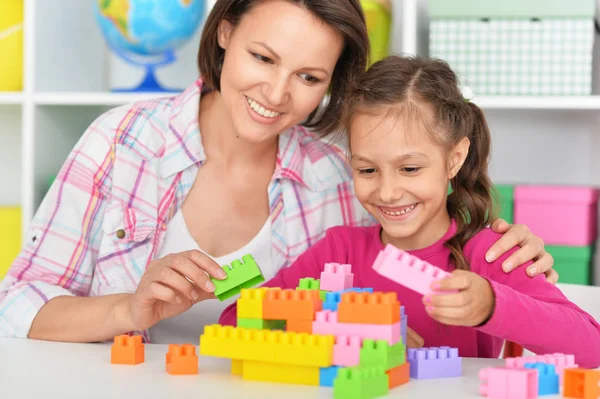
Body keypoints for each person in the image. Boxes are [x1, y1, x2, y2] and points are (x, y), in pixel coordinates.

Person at [0, 0, 555, 344]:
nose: (276, 94)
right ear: (225, 33)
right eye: (262, 58)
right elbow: (18, 302)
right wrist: (127, 308)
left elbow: (427, 254)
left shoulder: (341, 173)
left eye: (309, 77)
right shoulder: (121, 143)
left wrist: (509, 261)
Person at [219, 56, 600, 367]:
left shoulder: (489, 254)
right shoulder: (339, 250)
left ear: (454, 158)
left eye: (410, 168)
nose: (387, 191)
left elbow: (590, 347)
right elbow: (236, 321)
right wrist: (348, 332)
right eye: (367, 170)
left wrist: (491, 305)